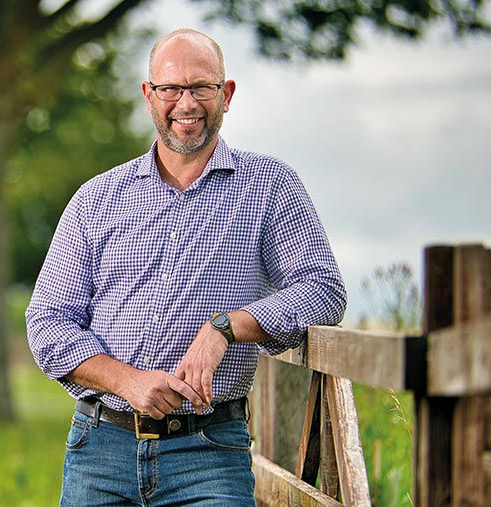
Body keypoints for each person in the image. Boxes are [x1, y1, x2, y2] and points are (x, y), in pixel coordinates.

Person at [25, 28, 347, 506]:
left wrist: (226, 328)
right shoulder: (97, 198)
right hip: (100, 451)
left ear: (227, 94)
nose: (186, 103)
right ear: (148, 95)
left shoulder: (270, 187)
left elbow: (323, 289)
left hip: (209, 454)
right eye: (170, 88)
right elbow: (47, 321)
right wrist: (127, 381)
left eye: (201, 87)